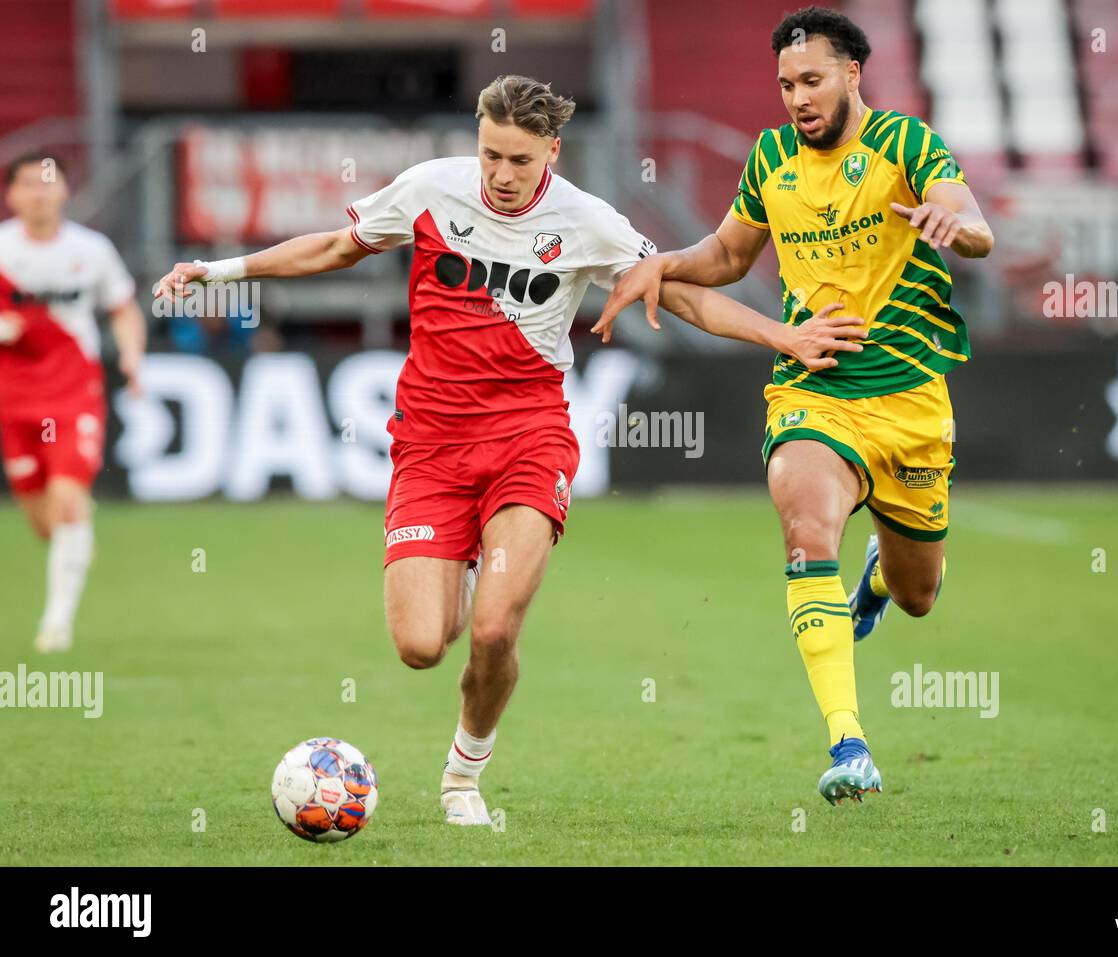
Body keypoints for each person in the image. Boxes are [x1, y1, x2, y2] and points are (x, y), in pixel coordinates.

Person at [156, 74, 865, 825]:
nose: (499, 173)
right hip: (429, 443)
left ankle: (462, 777)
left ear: (552, 152)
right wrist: (219, 272)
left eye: (519, 160)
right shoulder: (431, 188)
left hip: (530, 438)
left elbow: (680, 290)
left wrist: (781, 335)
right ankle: (459, 564)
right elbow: (335, 246)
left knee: (494, 629)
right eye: (490, 153)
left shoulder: (586, 221)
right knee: (422, 645)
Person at [596, 8, 995, 805]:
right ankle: (849, 743)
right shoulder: (771, 157)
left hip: (912, 399)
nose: (797, 99)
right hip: (814, 388)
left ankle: (881, 579)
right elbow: (725, 257)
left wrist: (959, 222)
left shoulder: (906, 145)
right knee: (806, 524)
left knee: (919, 594)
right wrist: (658, 262)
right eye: (786, 85)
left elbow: (975, 226)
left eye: (812, 80)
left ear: (853, 74)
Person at [0, 152, 146, 653]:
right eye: (28, 184)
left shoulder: (91, 249)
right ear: (11, 194)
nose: (39, 193)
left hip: (73, 391)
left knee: (66, 499)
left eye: (49, 183)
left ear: (64, 189)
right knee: (43, 522)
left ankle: (56, 625)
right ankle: (75, 536)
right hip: (12, 397)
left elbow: (123, 309)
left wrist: (131, 358)